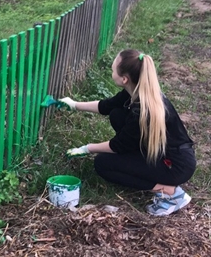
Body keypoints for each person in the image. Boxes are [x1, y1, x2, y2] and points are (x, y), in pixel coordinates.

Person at [61, 49, 196, 216]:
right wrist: (74, 105)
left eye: (112, 70)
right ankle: (140, 163)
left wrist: (87, 148)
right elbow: (106, 106)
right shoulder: (136, 91)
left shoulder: (143, 112)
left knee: (103, 164)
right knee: (117, 114)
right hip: (164, 153)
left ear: (124, 79)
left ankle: (170, 193)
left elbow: (117, 146)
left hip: (176, 166)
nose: (111, 72)